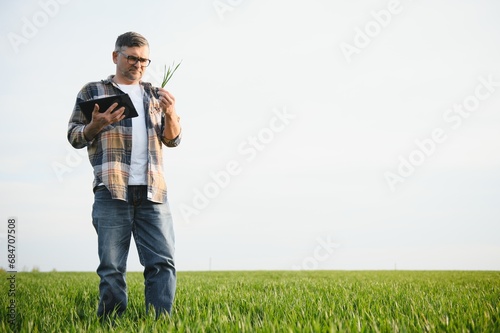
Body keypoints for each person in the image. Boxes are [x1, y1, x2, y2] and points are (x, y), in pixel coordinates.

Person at [67, 31, 181, 318]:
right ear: (116, 56)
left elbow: (173, 140)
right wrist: (96, 126)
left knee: (162, 262)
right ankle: (111, 323)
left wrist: (172, 113)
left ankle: (159, 322)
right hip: (111, 188)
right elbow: (74, 136)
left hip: (153, 191)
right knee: (112, 266)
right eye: (132, 58)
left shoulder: (155, 94)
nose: (138, 64)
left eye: (144, 60)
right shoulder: (93, 91)